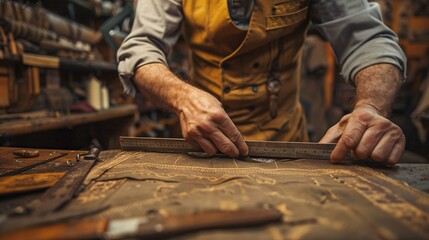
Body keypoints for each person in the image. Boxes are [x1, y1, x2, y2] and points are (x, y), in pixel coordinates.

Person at [117, 0, 406, 165]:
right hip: (204, 146)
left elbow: (370, 40)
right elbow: (141, 48)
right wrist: (183, 97)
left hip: (287, 141)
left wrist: (370, 107)